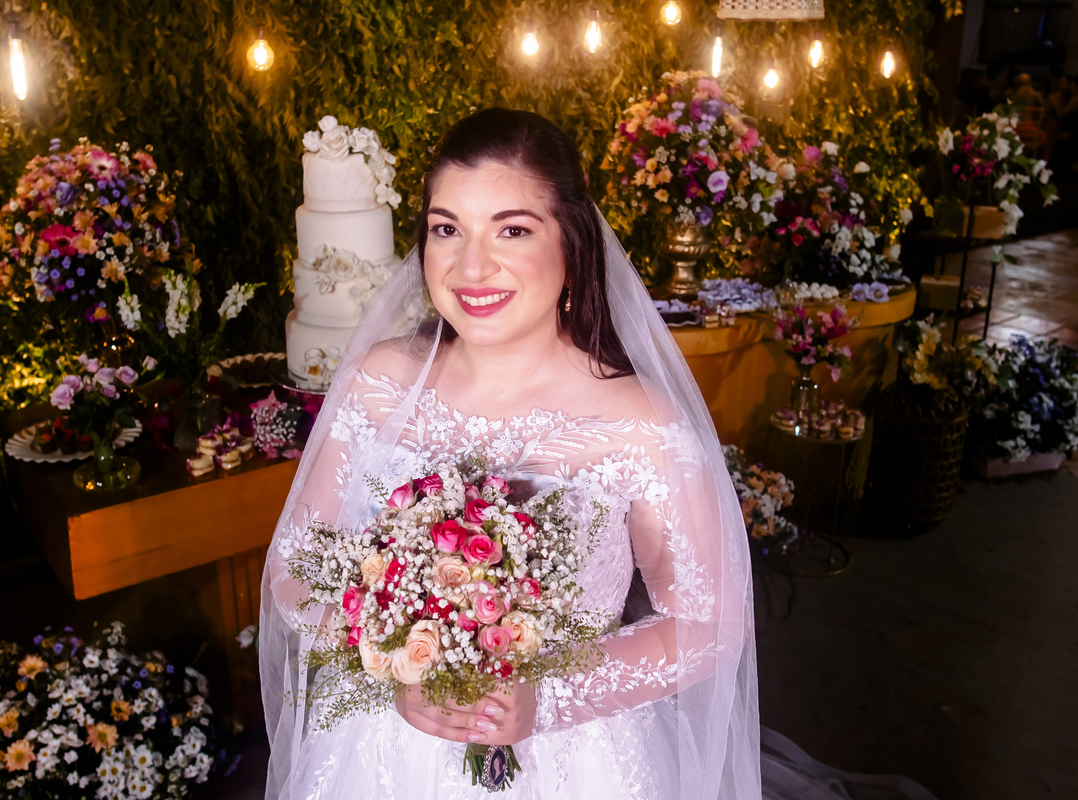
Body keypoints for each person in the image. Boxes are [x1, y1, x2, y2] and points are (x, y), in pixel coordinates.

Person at [258, 109, 938, 800]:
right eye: (446, 229)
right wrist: (391, 661)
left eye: (513, 229)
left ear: (573, 245)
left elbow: (709, 625)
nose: (471, 266)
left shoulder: (640, 423)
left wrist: (546, 698)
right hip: (384, 750)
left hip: (574, 764)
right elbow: (293, 566)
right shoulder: (379, 383)